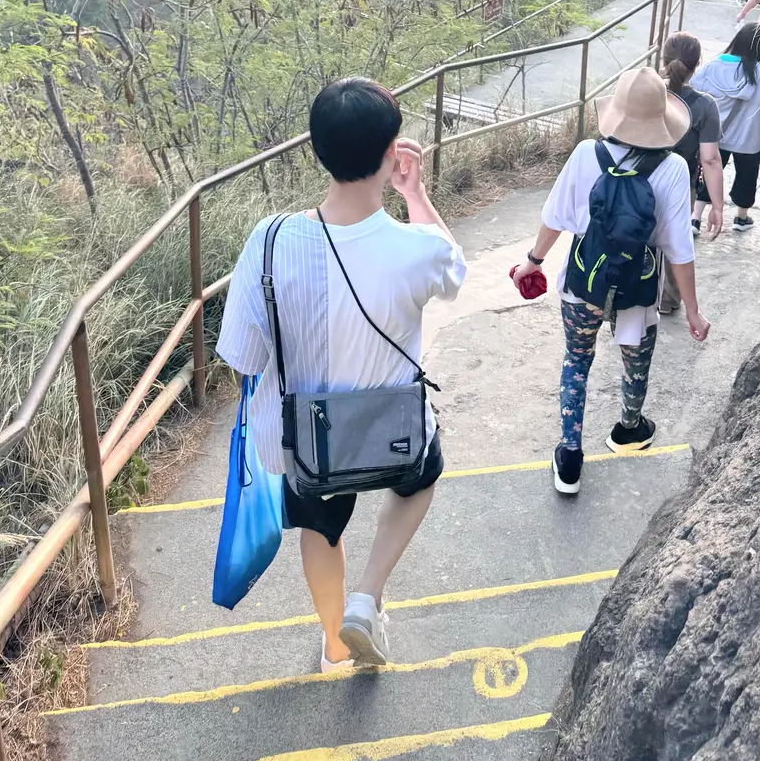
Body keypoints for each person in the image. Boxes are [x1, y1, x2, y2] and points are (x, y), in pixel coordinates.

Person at [215, 79, 466, 672]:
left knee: (321, 527)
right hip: (391, 431)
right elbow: (453, 269)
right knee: (420, 480)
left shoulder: (270, 241)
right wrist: (417, 195)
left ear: (317, 152)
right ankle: (367, 597)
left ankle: (333, 642)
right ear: (391, 155)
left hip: (307, 442)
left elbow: (243, 359)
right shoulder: (416, 249)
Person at [511, 66, 709, 495]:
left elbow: (555, 220)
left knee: (576, 362)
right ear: (661, 120)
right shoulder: (673, 167)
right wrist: (691, 309)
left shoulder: (587, 154)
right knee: (636, 363)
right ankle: (629, 430)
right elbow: (679, 247)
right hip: (638, 286)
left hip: (586, 281)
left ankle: (568, 458)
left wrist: (533, 261)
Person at [691, 25, 760, 233]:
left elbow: (693, 90)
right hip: (750, 139)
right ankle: (741, 218)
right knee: (747, 175)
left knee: (708, 171)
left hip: (716, 135)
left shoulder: (713, 66)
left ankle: (695, 218)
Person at [658, 33, 725, 314]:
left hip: (633, 176)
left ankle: (625, 295)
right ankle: (666, 300)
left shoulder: (645, 90)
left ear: (662, 60)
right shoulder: (704, 105)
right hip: (679, 184)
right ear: (697, 65)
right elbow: (709, 159)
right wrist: (717, 207)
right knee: (674, 241)